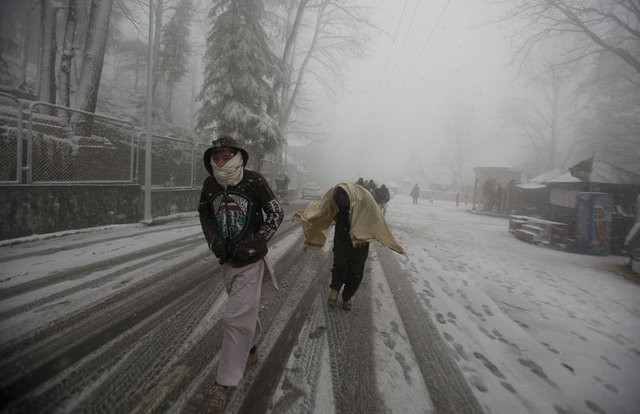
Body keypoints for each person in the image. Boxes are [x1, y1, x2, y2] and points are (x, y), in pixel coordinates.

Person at [198, 135, 284, 414]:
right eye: (217, 158)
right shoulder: (210, 184)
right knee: (244, 312)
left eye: (227, 157)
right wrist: (214, 240)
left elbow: (275, 214)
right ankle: (250, 350)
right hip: (227, 262)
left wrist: (254, 244)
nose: (222, 162)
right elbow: (205, 214)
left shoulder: (254, 181)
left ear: (238, 157)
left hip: (250, 262)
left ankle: (223, 385)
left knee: (235, 319)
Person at [293, 182, 405, 311]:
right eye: (340, 202)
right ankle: (334, 290)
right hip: (342, 234)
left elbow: (377, 220)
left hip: (361, 239)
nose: (342, 204)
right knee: (340, 263)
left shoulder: (366, 199)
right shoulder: (336, 195)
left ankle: (347, 296)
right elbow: (324, 212)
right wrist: (308, 219)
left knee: (356, 269)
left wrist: (372, 235)